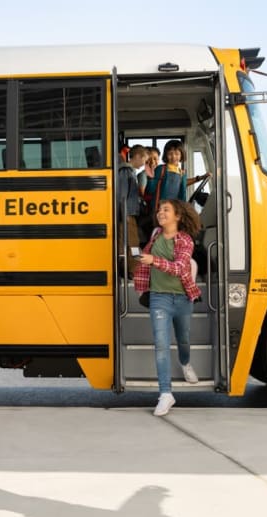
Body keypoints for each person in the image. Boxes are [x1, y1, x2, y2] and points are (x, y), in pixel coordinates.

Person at [133, 199, 202, 417]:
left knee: (183, 339)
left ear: (178, 217)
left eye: (166, 210)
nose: (160, 212)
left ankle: (185, 362)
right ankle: (165, 394)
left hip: (182, 298)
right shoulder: (154, 235)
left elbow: (181, 268)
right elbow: (147, 263)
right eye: (159, 209)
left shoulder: (185, 240)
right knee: (161, 345)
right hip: (159, 298)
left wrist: (153, 260)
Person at [118, 145, 149, 277]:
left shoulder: (128, 171)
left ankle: (124, 268)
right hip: (127, 213)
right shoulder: (126, 171)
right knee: (133, 242)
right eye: (144, 160)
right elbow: (122, 195)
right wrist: (124, 213)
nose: (144, 164)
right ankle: (133, 270)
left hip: (128, 212)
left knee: (124, 242)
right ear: (137, 156)